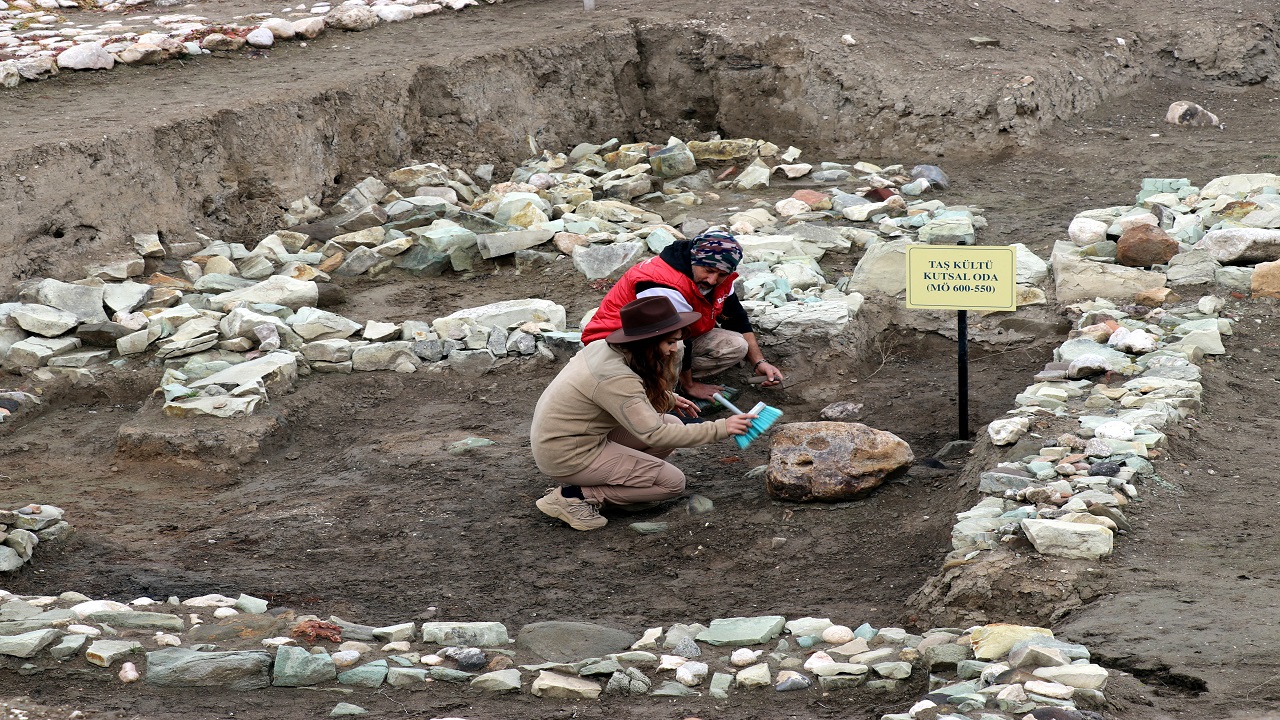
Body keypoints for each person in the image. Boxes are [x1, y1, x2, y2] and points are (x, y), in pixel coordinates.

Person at [530, 296, 758, 531]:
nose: (673, 349)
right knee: (672, 483)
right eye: (669, 342)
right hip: (566, 455)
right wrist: (722, 427)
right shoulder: (615, 377)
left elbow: (613, 397)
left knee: (672, 421)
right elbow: (654, 434)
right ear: (646, 342)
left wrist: (667, 397)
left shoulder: (604, 349)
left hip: (572, 438)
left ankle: (625, 490)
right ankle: (575, 495)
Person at [580, 229, 785, 401]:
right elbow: (677, 338)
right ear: (694, 259)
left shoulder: (721, 277)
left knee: (736, 345)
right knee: (675, 346)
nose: (713, 280)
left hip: (661, 336)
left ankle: (664, 384)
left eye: (721, 275)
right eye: (708, 270)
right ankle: (659, 398)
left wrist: (759, 362)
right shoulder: (662, 284)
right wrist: (691, 385)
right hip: (614, 344)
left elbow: (736, 317)